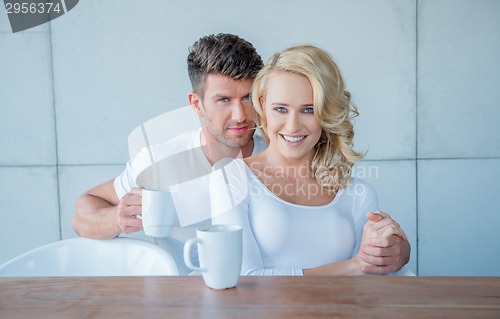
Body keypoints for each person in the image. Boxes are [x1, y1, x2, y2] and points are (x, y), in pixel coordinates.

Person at [72, 34, 410, 275]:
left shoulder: (284, 145)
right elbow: (85, 208)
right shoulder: (159, 164)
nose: (240, 115)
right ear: (197, 104)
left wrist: (394, 252)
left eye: (248, 98)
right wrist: (117, 219)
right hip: (183, 303)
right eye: (223, 100)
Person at [211, 45, 411, 275]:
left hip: (342, 312)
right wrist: (354, 265)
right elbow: (242, 279)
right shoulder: (231, 179)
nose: (293, 126)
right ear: (263, 105)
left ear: (327, 112)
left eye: (309, 109)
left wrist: (392, 248)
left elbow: (367, 280)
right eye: (281, 109)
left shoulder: (358, 193)